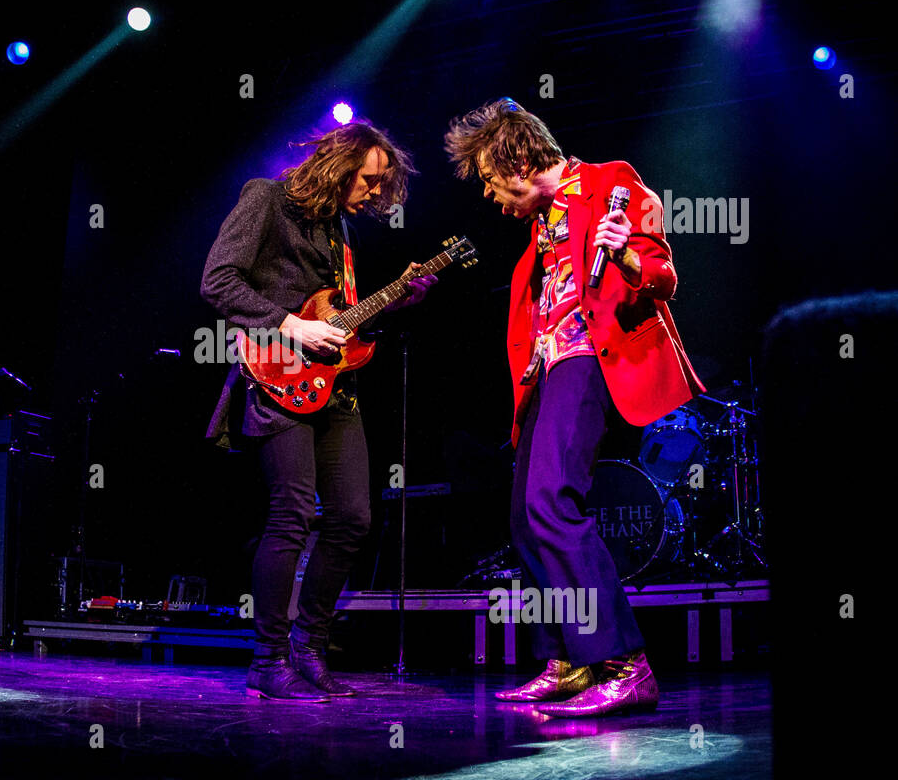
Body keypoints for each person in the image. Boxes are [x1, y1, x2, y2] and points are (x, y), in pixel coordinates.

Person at [443, 99, 704, 716]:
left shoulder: (610, 182)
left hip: (589, 358)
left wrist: (628, 257)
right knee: (524, 516)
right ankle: (569, 661)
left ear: (521, 159)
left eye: (488, 178)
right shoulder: (538, 226)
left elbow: (663, 274)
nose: (487, 194)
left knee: (550, 499)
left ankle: (624, 662)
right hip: (547, 370)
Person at [201, 121, 436, 701]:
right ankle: (267, 658)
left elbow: (342, 328)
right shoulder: (267, 198)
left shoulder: (340, 232)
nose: (377, 192)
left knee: (354, 516)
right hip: (275, 373)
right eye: (371, 179)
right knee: (292, 512)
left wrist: (392, 304)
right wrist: (290, 324)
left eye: (383, 185)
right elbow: (217, 281)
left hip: (334, 387)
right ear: (341, 163)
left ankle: (309, 648)